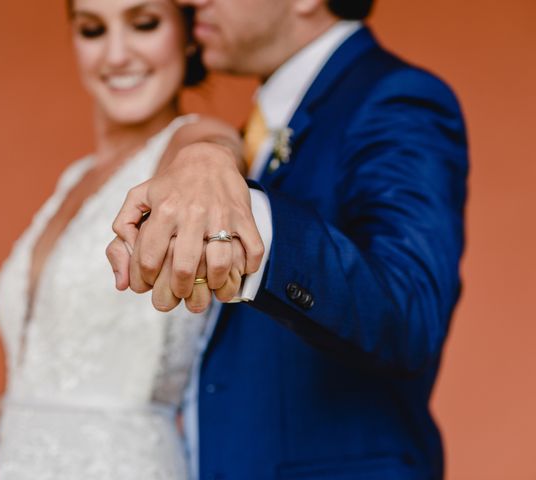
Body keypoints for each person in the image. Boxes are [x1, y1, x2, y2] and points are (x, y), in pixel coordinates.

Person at [107, 0, 469, 478]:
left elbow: (410, 315)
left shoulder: (397, 98)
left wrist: (249, 218)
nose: (192, 2)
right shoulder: (250, 134)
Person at [0, 0, 247, 479]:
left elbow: (214, 161)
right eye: (93, 30)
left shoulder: (192, 146)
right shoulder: (74, 180)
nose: (116, 55)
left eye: (143, 24)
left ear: (186, 31)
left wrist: (213, 158)